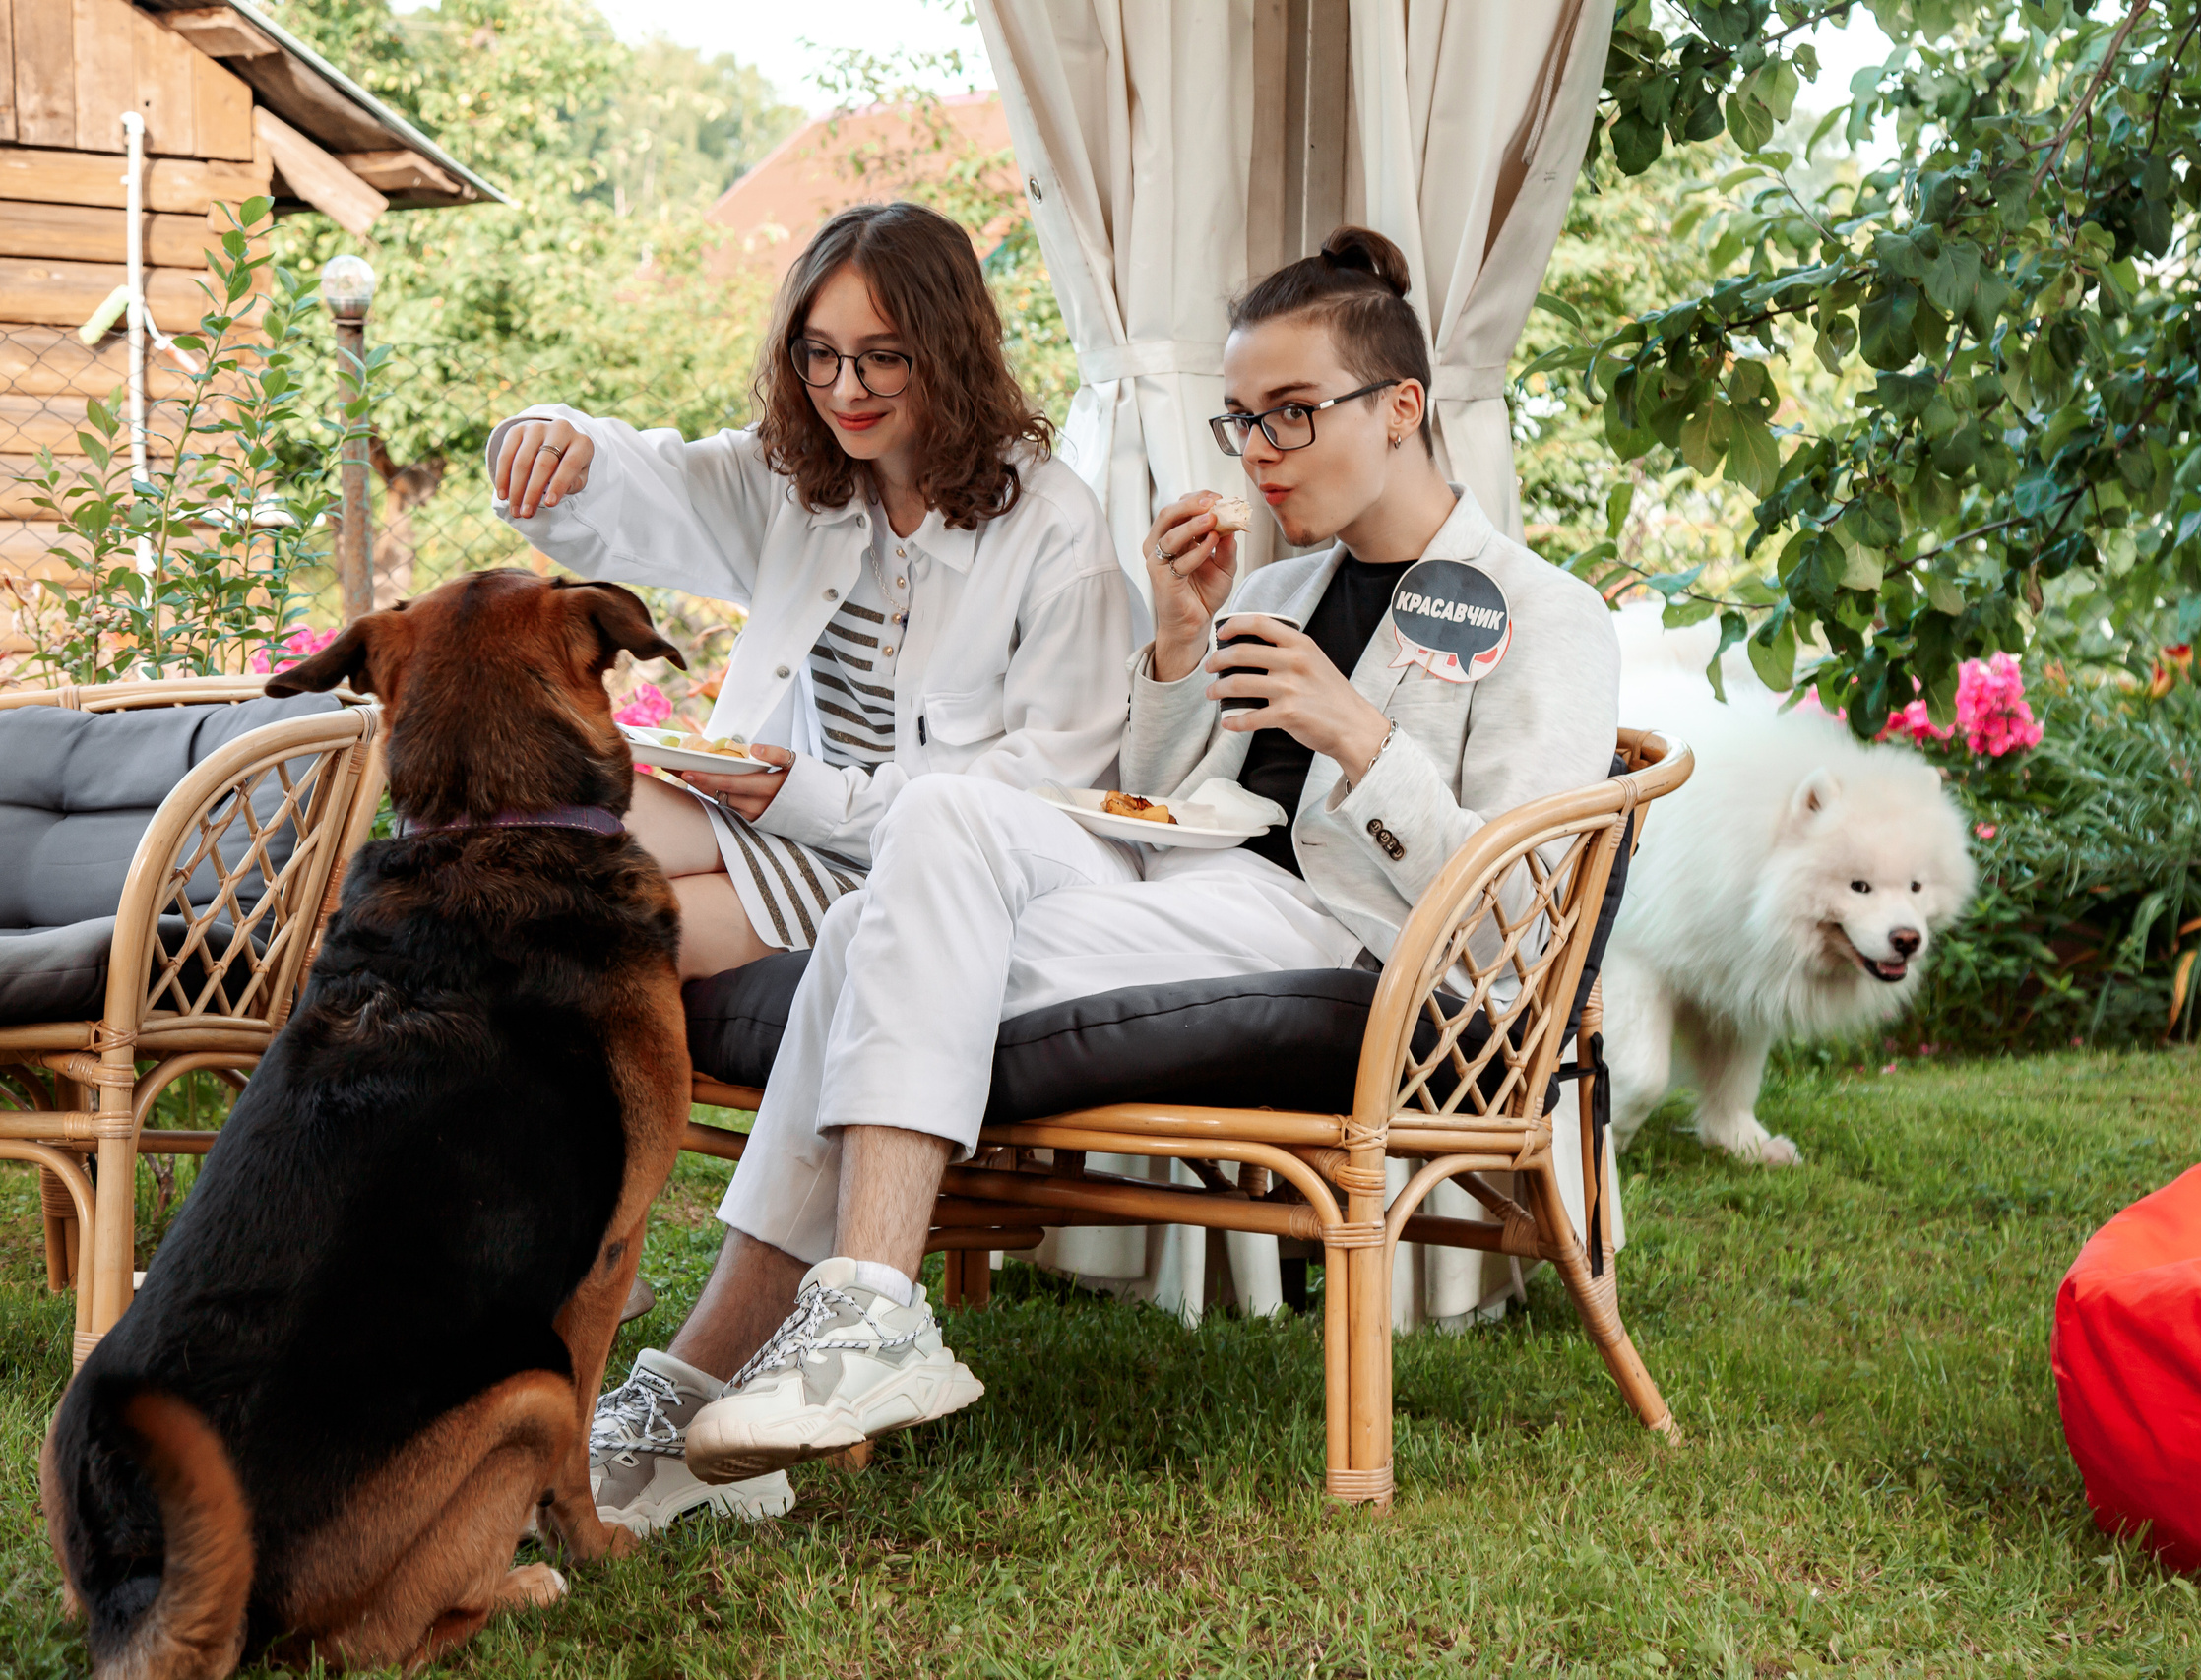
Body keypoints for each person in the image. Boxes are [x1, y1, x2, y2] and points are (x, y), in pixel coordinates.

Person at [601, 224, 1621, 1510]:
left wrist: (1361, 737)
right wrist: (1184, 640)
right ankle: (863, 1322)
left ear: (1404, 407)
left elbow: (1515, 914)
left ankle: (709, 1382)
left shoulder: (1545, 614)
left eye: (1293, 416)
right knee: (943, 820)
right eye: (1242, 421)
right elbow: (1170, 789)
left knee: (869, 945)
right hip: (1175, 889)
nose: (1261, 455)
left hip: (1336, 943)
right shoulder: (1288, 587)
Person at [483, 201, 1140, 1536]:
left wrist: (816, 793)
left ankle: (584, 1310)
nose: (845, 389)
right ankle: (457, 1246)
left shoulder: (1054, 528)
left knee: (622, 934)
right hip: (783, 824)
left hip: (906, 870)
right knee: (536, 860)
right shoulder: (803, 476)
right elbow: (635, 486)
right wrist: (542, 437)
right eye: (819, 355)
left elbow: (1055, 786)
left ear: (952, 353)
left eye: (883, 358)